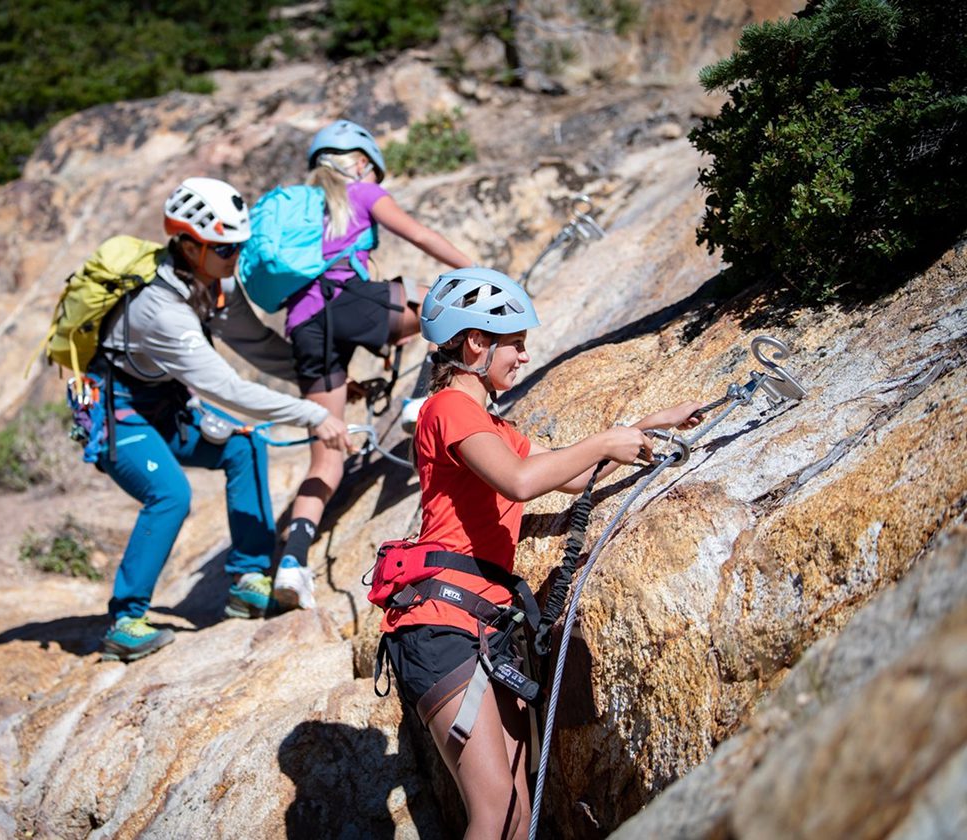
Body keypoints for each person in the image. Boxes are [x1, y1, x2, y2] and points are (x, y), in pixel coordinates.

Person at [379, 267, 704, 838]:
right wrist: (604, 441)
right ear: (475, 342)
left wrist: (649, 426)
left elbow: (564, 473)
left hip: (472, 625)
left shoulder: (489, 424)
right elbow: (521, 482)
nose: (524, 357)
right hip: (442, 627)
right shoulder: (449, 409)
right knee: (494, 806)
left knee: (516, 812)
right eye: (516, 344)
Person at [82, 177, 352, 663]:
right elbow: (226, 388)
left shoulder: (213, 282)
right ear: (188, 244)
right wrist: (314, 412)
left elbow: (258, 345)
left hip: (162, 403)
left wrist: (324, 377)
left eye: (238, 247)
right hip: (118, 412)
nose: (235, 258)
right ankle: (125, 621)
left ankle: (248, 581)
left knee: (245, 443)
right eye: (224, 248)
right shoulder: (160, 310)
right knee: (169, 495)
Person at [272, 119, 474, 611]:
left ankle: (292, 563)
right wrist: (475, 271)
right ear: (360, 160)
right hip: (345, 298)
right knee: (441, 303)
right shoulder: (358, 190)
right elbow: (419, 234)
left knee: (326, 456)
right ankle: (422, 402)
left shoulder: (299, 206)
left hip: (303, 321)